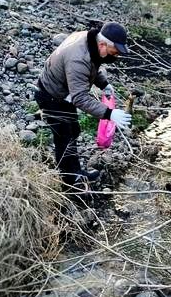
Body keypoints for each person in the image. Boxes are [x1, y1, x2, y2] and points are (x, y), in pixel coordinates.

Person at [35, 21, 132, 187]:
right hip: (51, 96)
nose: (115, 56)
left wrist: (103, 84)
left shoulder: (90, 41)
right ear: (103, 44)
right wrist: (109, 114)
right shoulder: (78, 59)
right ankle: (70, 180)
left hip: (63, 92)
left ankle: (73, 170)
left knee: (73, 130)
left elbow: (92, 65)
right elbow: (79, 98)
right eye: (114, 52)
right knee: (64, 136)